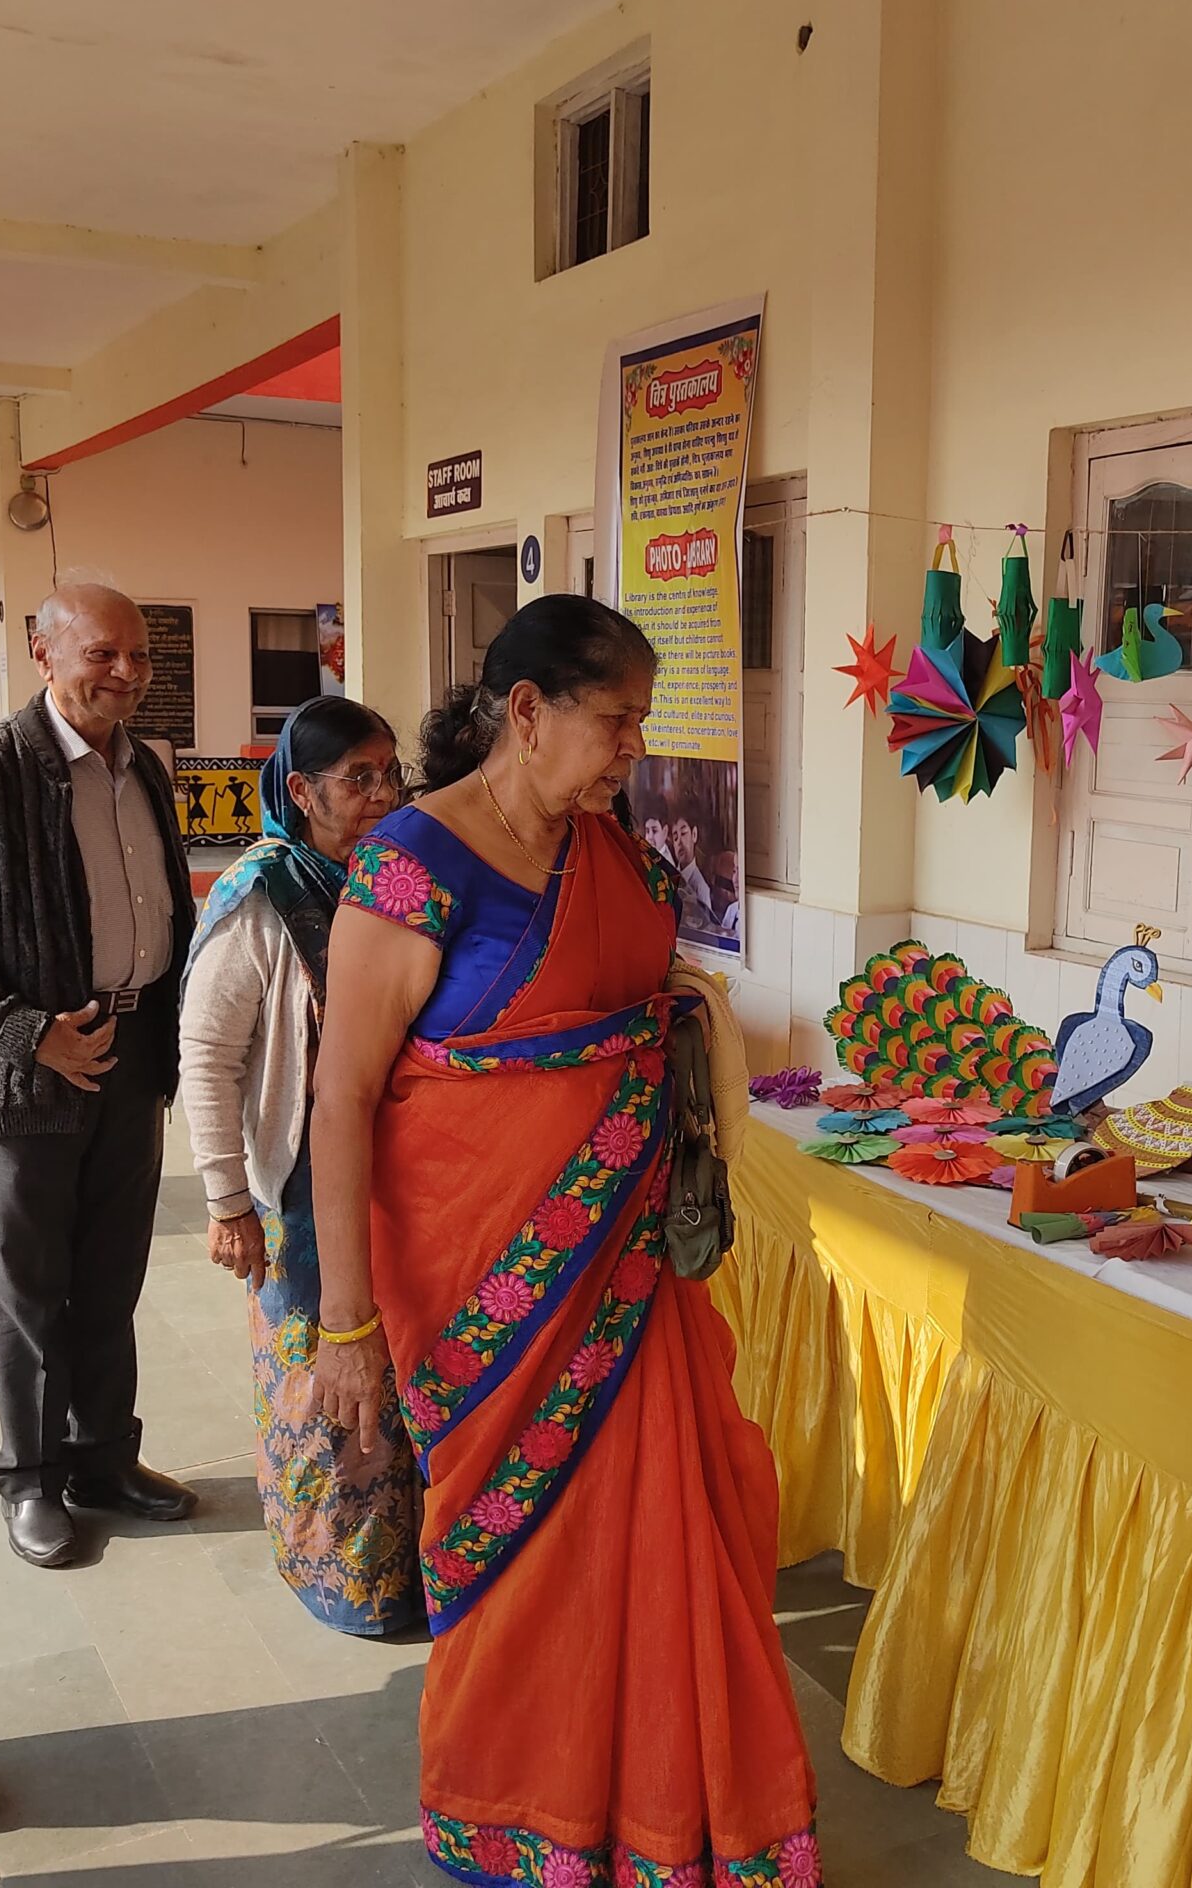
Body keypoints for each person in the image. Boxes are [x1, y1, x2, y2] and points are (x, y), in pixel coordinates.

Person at [310, 596, 819, 1884]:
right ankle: (512, 1810)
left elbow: (641, 1015)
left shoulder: (621, 859)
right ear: (528, 712)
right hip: (477, 1287)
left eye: (642, 722)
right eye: (618, 720)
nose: (634, 749)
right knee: (519, 1554)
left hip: (629, 1275)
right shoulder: (413, 867)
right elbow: (342, 1096)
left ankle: (659, 1818)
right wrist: (344, 1322)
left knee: (662, 1539)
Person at [0, 582, 199, 1568]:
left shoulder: (144, 766)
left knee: (110, 1279)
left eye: (138, 655)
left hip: (134, 1054)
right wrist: (29, 1034)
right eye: (102, 653)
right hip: (34, 1070)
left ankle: (103, 1460)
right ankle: (29, 1479)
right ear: (43, 654)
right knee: (32, 1289)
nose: (126, 673)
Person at [177, 697, 423, 1633]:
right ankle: (338, 1582)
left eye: (388, 774)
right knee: (324, 1393)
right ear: (302, 790)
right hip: (297, 1197)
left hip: (394, 1183)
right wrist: (226, 1200)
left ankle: (401, 1571)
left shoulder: (387, 884)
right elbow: (207, 1053)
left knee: (391, 1380)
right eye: (357, 778)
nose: (380, 795)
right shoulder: (264, 895)